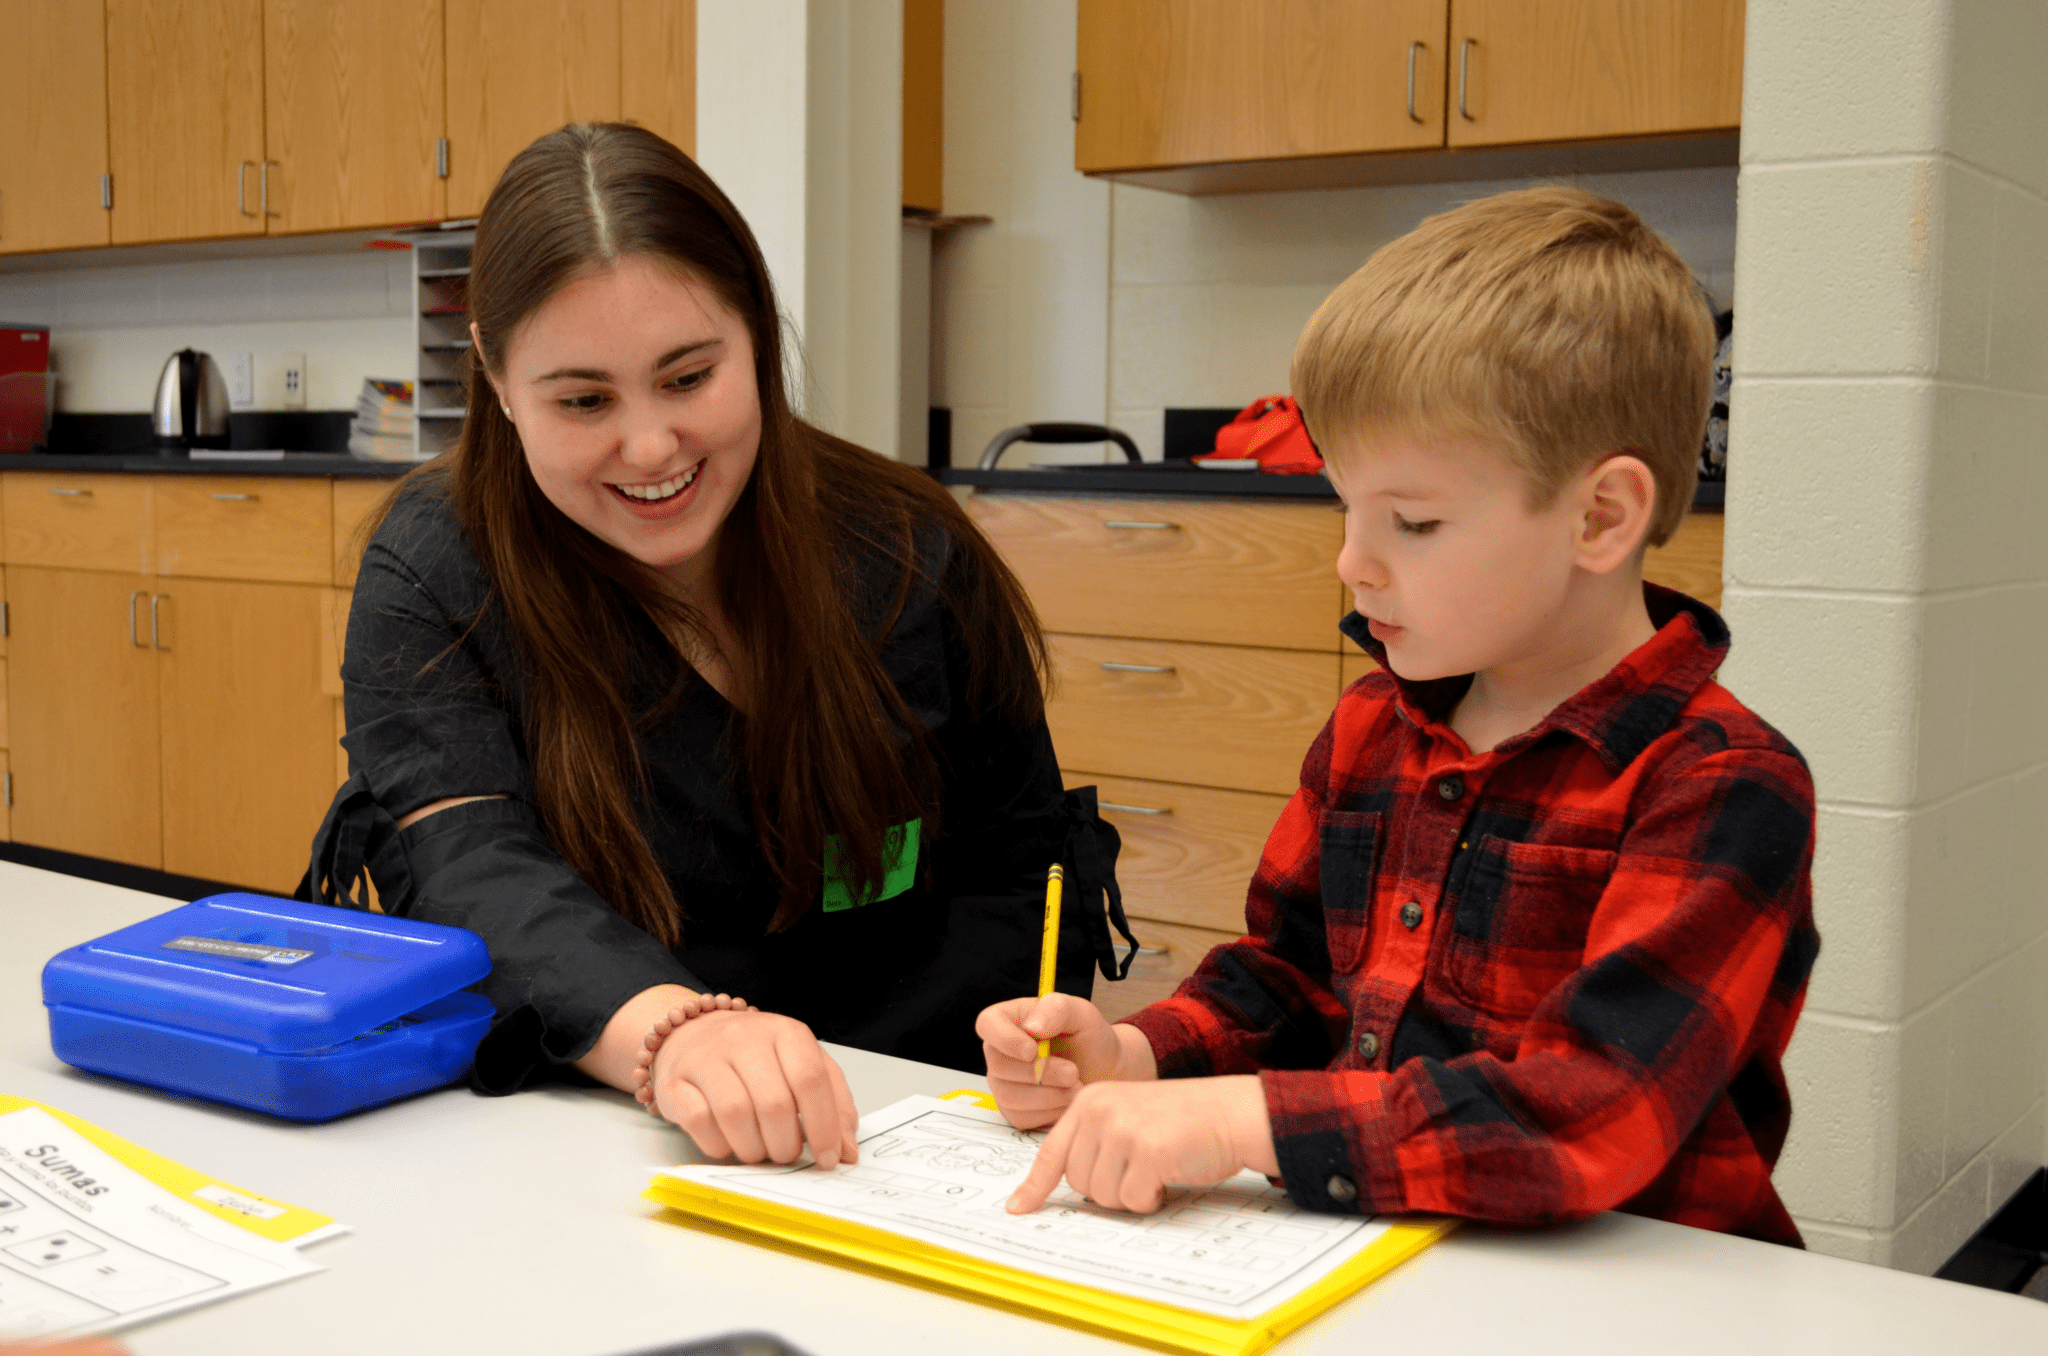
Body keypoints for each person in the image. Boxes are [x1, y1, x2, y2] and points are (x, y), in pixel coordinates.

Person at [980, 186, 1820, 1245]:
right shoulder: (1372, 728)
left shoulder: (1719, 785)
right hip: (1384, 1253)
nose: (1350, 561)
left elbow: (1590, 1109)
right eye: (1345, 507)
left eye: (1413, 522)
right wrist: (1138, 1056)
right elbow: (1279, 980)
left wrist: (1246, 1121)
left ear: (1599, 517)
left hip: (1637, 1297)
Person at [304, 123, 1128, 1170]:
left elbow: (1016, 869)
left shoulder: (907, 552)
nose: (649, 448)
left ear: (756, 336)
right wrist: (677, 1033)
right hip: (603, 1129)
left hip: (903, 1142)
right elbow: (467, 863)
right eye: (582, 401)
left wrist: (996, 1067)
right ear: (496, 378)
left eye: (688, 378)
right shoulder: (436, 568)